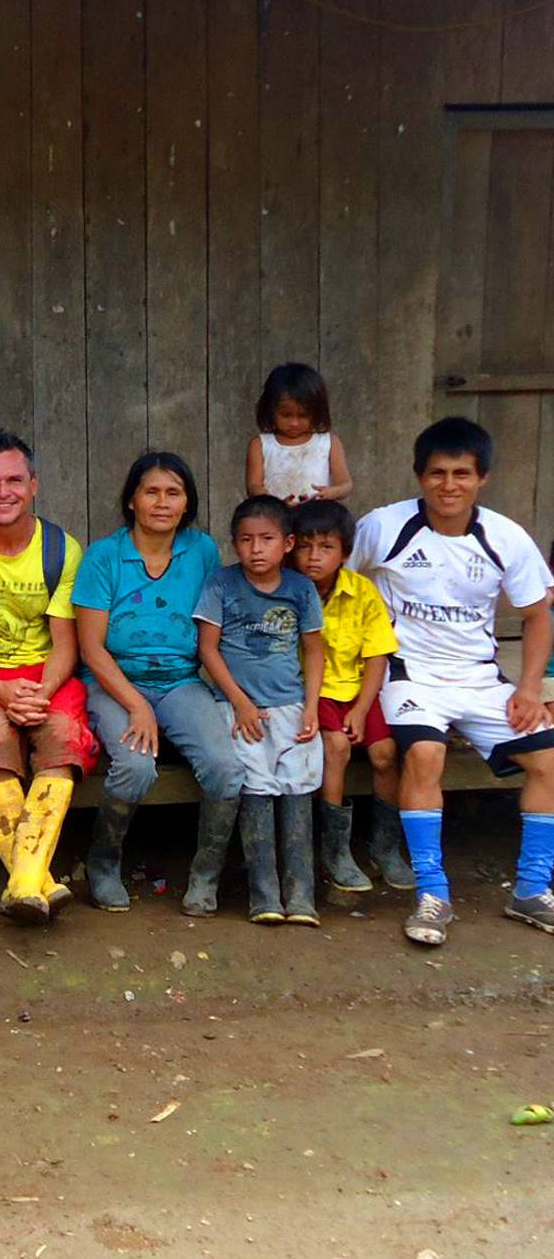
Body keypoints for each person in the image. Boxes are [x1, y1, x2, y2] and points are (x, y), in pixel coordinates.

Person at [351, 416, 554, 948]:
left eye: (461, 473)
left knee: (550, 763)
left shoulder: (506, 536)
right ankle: (432, 893)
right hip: (408, 674)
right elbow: (338, 582)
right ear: (419, 476)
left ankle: (532, 889)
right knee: (424, 755)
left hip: (480, 678)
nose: (448, 485)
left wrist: (529, 688)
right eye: (437, 473)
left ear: (482, 477)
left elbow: (538, 614)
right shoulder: (383, 527)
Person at [0, 431, 98, 923]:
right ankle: (37, 881)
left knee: (65, 736)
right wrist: (0, 689)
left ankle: (24, 881)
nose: (3, 492)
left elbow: (66, 643)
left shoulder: (60, 548)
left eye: (14, 481)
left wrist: (41, 692)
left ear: (34, 485)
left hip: (46, 674)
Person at [72, 453, 242, 915]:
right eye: (151, 491)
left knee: (226, 767)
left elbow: (212, 627)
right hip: (113, 682)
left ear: (187, 503)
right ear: (131, 500)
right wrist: (136, 705)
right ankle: (103, 865)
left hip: (180, 682)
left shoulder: (202, 551)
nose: (162, 502)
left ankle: (206, 878)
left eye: (173, 493)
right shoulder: (105, 556)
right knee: (136, 766)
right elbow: (91, 648)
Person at [196, 497, 326, 926]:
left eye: (267, 539)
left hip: (290, 706)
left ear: (287, 543)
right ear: (233, 544)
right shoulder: (221, 584)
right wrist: (240, 702)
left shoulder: (300, 589)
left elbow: (313, 649)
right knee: (256, 789)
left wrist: (311, 707)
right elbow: (208, 649)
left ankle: (302, 896)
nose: (256, 549)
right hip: (238, 709)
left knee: (297, 789)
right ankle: (264, 895)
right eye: (246, 540)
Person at [289, 498, 414, 893]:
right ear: (291, 546)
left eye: (326, 547)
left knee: (384, 753)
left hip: (356, 690)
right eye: (305, 547)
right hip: (312, 691)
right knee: (337, 748)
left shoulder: (361, 592)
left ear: (345, 552)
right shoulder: (287, 590)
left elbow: (377, 655)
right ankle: (335, 851)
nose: (314, 557)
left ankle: (385, 846)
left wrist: (362, 709)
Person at [246, 362, 352, 507]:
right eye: (286, 415)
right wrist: (274, 502)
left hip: (316, 517)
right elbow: (253, 485)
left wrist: (330, 493)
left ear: (316, 412)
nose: (294, 423)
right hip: (277, 518)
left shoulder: (329, 442)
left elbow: (345, 484)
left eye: (303, 415)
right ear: (271, 410)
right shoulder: (261, 445)